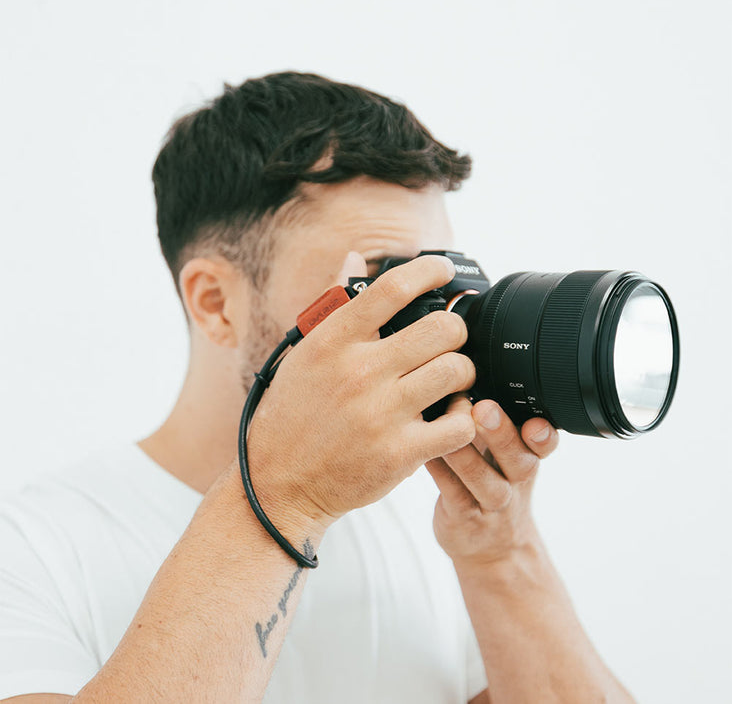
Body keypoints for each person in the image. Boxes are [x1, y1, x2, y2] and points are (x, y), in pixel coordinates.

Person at [0, 72, 636, 703]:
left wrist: (501, 552)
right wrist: (286, 497)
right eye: (388, 281)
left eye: (440, 278)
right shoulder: (35, 549)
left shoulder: (431, 521)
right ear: (216, 302)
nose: (441, 321)